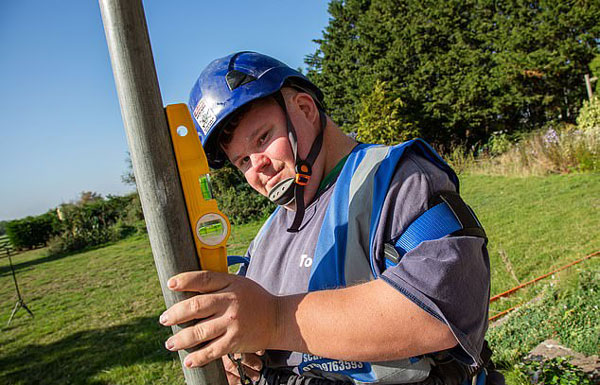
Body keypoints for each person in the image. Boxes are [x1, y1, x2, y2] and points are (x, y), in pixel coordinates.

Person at [159, 51, 504, 385]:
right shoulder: (266, 239)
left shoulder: (397, 180)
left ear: (305, 109)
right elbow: (250, 326)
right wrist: (238, 349)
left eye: (262, 139)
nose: (257, 166)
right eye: (242, 162)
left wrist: (274, 319)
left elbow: (440, 313)